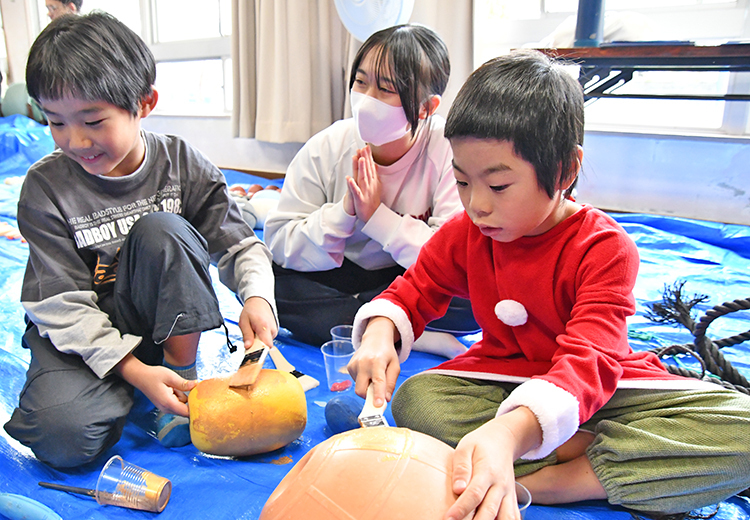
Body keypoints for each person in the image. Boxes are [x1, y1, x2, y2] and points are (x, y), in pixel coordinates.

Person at [348, 50, 750, 519]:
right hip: (506, 379)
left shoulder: (604, 247)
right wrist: (380, 332)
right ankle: (591, 459)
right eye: (461, 181)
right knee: (418, 399)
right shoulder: (467, 233)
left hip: (604, 388)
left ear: (563, 170)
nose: (476, 205)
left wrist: (508, 434)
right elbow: (415, 290)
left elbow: (591, 359)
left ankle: (559, 481)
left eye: (498, 186)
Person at [3, 12, 277, 468]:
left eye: (93, 120)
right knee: (62, 438)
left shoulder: (181, 164)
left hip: (158, 321)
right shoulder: (45, 188)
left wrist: (258, 298)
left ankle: (177, 374)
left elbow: (238, 244)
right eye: (55, 122)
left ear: (144, 102)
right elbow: (60, 302)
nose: (75, 140)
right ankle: (133, 383)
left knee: (163, 229)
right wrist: (128, 368)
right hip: (83, 332)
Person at [264, 24, 478, 348]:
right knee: (268, 284)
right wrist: (345, 213)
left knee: (477, 292)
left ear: (426, 108)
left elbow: (453, 258)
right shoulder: (327, 146)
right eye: (361, 82)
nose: (366, 100)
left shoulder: (448, 150)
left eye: (386, 89)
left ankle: (368, 322)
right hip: (335, 274)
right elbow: (280, 239)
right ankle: (409, 332)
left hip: (404, 276)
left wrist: (378, 217)